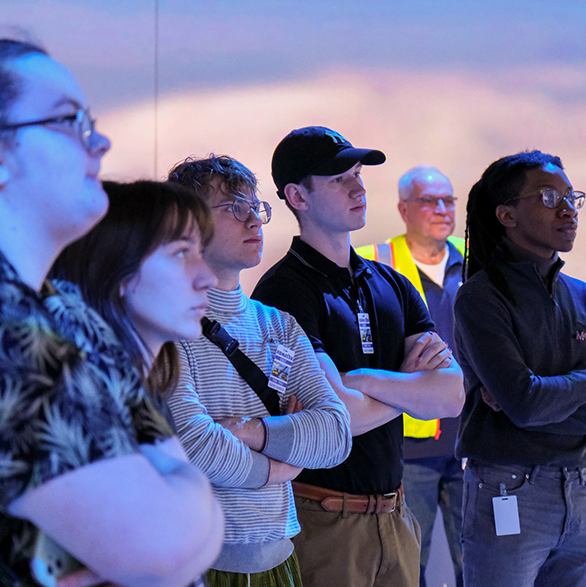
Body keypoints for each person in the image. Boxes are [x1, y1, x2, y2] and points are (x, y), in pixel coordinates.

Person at [0, 39, 222, 587]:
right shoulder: (12, 332)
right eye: (67, 122)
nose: (99, 142)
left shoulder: (65, 309)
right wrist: (179, 486)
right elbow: (167, 547)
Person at [252, 126, 464, 587]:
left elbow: (449, 397)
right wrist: (408, 385)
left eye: (358, 174)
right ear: (297, 196)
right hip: (324, 517)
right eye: (338, 179)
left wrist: (362, 380)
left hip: (396, 513)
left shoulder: (391, 283)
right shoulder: (284, 290)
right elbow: (338, 420)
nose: (358, 187)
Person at [167, 154, 352, 587]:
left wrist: (253, 432)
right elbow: (196, 445)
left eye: (255, 206)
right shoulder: (169, 327)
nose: (254, 220)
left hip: (278, 551)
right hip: (199, 557)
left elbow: (336, 434)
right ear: (186, 225)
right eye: (234, 207)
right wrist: (281, 464)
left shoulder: (279, 324)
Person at [454, 150, 586, 587]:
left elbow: (526, 404)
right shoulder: (480, 297)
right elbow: (524, 404)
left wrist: (534, 399)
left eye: (571, 196)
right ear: (507, 215)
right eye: (549, 196)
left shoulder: (585, 297)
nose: (568, 208)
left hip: (580, 488)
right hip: (508, 489)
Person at [356, 165, 464, 587]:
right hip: (406, 447)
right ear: (403, 209)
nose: (441, 209)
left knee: (476, 558)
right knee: (405, 564)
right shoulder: (372, 263)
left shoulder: (476, 259)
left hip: (472, 443)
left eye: (448, 201)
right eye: (428, 200)